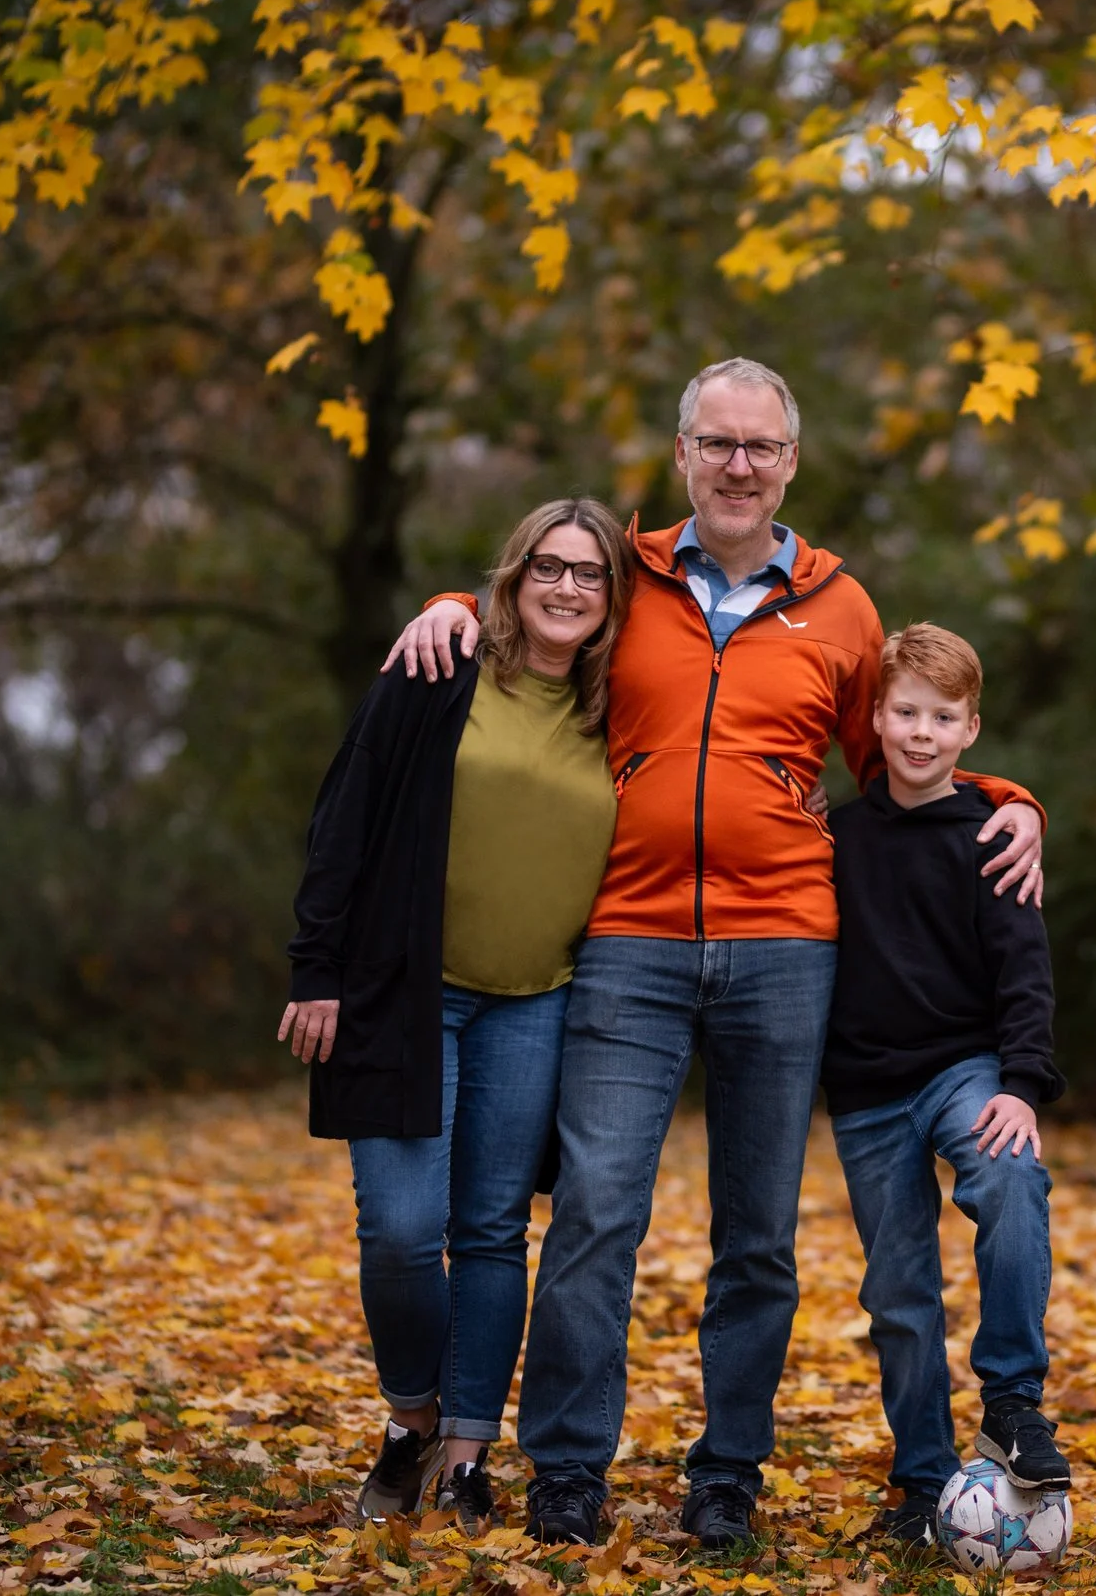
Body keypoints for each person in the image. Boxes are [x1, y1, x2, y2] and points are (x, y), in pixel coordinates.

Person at [381, 358, 1047, 1548]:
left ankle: (725, 1472)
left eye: (763, 447)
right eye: (718, 443)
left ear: (792, 462)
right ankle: (568, 1468)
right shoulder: (627, 579)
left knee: (758, 1235)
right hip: (626, 940)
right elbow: (534, 617)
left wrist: (1011, 797)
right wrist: (443, 605)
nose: (740, 465)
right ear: (682, 451)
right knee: (593, 1212)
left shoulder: (841, 607)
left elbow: (900, 757)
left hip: (788, 947)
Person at [277, 498, 633, 1537]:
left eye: (592, 574)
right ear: (513, 578)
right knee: (397, 1231)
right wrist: (315, 969)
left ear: (614, 599)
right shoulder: (438, 674)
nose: (568, 588)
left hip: (539, 1004)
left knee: (489, 1236)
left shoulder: (618, 713)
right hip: (406, 995)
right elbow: (342, 815)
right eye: (548, 568)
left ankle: (470, 1451)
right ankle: (412, 1418)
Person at [821, 623, 1069, 1547]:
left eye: (944, 717)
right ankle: (924, 1485)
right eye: (907, 712)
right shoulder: (836, 838)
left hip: (964, 1068)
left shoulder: (993, 833)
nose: (922, 732)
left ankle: (1012, 1401)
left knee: (1009, 1178)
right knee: (898, 1292)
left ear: (971, 728)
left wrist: (1021, 1085)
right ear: (877, 719)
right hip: (867, 1089)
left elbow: (1024, 973)